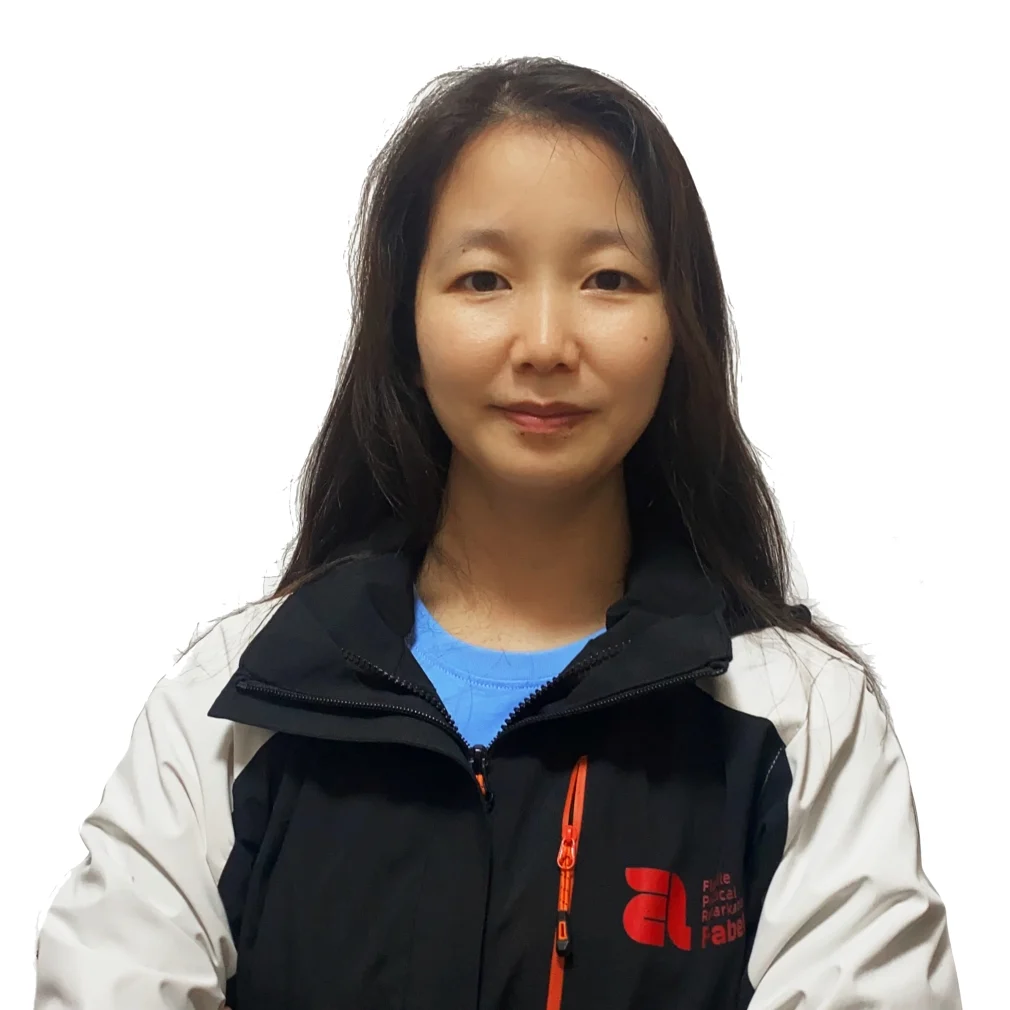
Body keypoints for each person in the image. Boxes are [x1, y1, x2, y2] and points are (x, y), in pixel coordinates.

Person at [34, 56, 961, 1010]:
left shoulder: (799, 722)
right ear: (406, 324)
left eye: (608, 279)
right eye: (484, 279)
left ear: (681, 325)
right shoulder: (235, 705)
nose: (546, 343)